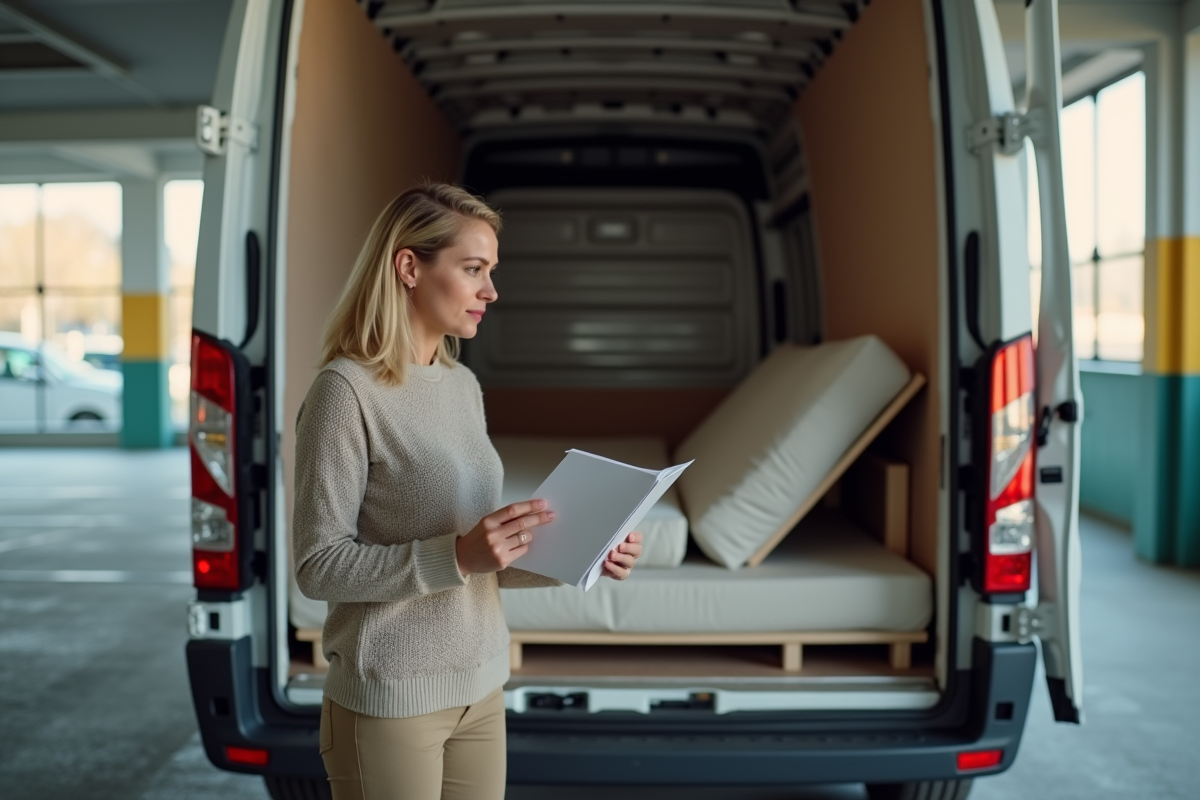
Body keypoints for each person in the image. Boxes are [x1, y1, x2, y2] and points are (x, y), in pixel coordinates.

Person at [292, 183, 643, 800]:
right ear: (409, 267)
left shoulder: (461, 385)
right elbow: (318, 567)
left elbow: (483, 559)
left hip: (481, 686)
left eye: (491, 271)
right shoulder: (344, 393)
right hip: (391, 698)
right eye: (474, 269)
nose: (491, 291)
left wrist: (584, 553)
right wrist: (454, 556)